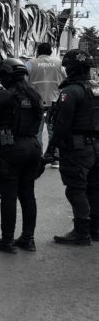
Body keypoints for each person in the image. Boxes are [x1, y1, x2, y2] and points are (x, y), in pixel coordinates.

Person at [0, 58, 43, 252]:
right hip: (33, 146)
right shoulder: (34, 94)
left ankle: (7, 241)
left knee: (8, 196)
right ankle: (28, 239)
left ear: (6, 76)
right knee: (28, 195)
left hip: (11, 148)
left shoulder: (4, 95)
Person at [45, 49, 99, 245]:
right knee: (94, 188)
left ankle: (81, 232)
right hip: (96, 147)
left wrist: (51, 150)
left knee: (75, 189)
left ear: (72, 69)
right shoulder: (96, 88)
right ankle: (95, 229)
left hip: (77, 149)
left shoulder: (70, 91)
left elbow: (61, 125)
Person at [25, 42, 66, 168]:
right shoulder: (59, 63)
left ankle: (38, 158)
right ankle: (55, 159)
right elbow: (66, 79)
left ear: (38, 51)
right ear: (51, 51)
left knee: (36, 131)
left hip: (35, 102)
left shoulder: (31, 63)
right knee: (54, 131)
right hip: (55, 102)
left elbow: (24, 81)